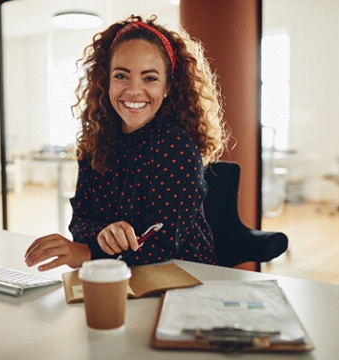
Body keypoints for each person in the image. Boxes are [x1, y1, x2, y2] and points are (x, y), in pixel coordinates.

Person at [25, 14, 228, 272]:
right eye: (121, 76)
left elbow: (163, 246)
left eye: (150, 78)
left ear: (168, 86)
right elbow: (81, 221)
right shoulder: (96, 140)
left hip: (184, 277)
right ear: (106, 80)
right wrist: (102, 234)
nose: (133, 90)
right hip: (120, 275)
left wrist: (89, 252)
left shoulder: (177, 145)